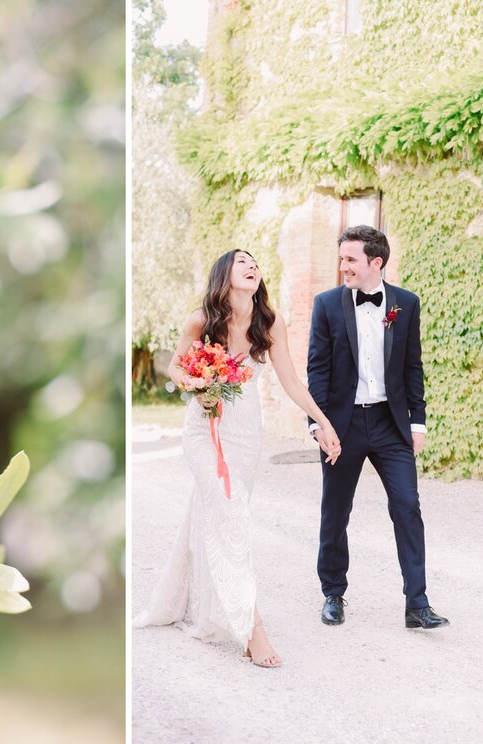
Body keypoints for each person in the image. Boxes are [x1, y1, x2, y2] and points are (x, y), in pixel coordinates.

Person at [133, 249, 341, 667]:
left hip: (246, 434)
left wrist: (322, 422)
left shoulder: (270, 321)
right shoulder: (201, 319)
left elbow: (291, 382)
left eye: (254, 262)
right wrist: (196, 381)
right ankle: (252, 629)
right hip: (204, 429)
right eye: (240, 260)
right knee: (229, 516)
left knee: (212, 513)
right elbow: (174, 367)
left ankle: (189, 601)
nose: (251, 265)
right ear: (224, 274)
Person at [307, 224, 449, 629]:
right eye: (341, 258)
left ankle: (417, 604)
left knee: (408, 508)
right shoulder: (327, 304)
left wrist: (417, 422)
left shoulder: (406, 304)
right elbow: (317, 368)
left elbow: (412, 366)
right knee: (335, 512)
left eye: (350, 259)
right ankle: (333, 594)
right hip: (342, 425)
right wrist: (319, 425)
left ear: (376, 262)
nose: (343, 267)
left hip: (391, 424)